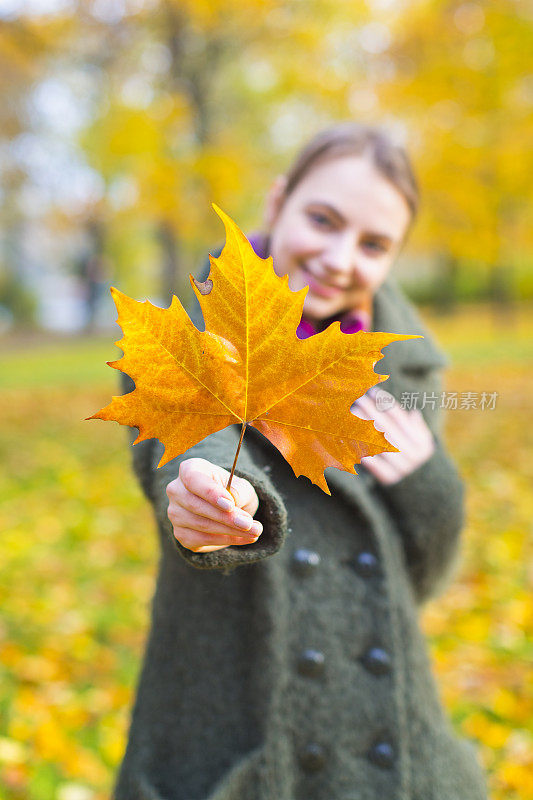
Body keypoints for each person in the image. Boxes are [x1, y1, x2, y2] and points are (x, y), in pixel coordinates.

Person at [114, 123, 487, 799]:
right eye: (322, 219)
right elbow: (184, 451)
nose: (340, 259)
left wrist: (429, 486)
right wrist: (212, 493)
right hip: (235, 722)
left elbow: (417, 582)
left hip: (389, 726)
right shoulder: (183, 336)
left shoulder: (403, 365)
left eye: (373, 244)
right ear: (277, 201)